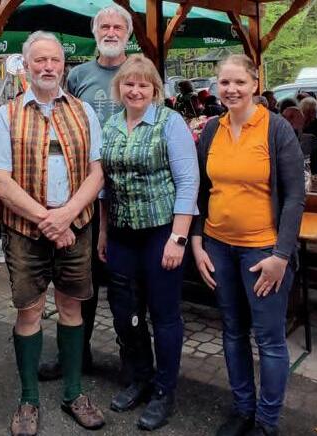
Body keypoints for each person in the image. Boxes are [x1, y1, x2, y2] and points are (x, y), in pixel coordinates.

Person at [0, 31, 105, 436]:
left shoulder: (84, 110)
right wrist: (47, 220)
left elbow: (97, 174)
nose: (48, 67)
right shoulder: (6, 114)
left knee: (71, 307)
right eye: (40, 60)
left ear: (63, 65)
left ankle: (73, 393)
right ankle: (28, 398)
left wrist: (66, 216)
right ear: (26, 65)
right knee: (29, 311)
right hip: (25, 232)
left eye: (54, 60)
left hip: (75, 225)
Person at [191, 54, 305, 436]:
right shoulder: (212, 129)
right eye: (224, 82)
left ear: (255, 84)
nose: (231, 89)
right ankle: (243, 410)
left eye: (239, 82)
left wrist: (281, 256)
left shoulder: (276, 129)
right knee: (232, 331)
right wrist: (197, 242)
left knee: (269, 340)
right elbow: (201, 191)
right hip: (218, 248)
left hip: (263, 253)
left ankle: (266, 422)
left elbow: (294, 198)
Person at [98, 54, 199, 431]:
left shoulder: (170, 123)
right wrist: (103, 232)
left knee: (164, 313)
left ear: (155, 89)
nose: (135, 90)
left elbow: (188, 182)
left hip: (161, 232)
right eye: (129, 83)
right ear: (119, 87)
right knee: (125, 311)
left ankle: (164, 391)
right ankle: (140, 376)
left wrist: (178, 238)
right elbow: (104, 186)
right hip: (122, 233)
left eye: (143, 84)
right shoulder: (110, 125)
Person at [37, 2, 129, 385]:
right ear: (95, 33)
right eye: (104, 27)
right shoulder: (78, 76)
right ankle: (75, 354)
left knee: (125, 286)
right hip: (84, 191)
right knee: (80, 280)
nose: (110, 33)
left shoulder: (139, 72)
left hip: (128, 193)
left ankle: (132, 363)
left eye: (117, 28)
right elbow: (60, 116)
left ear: (127, 34)